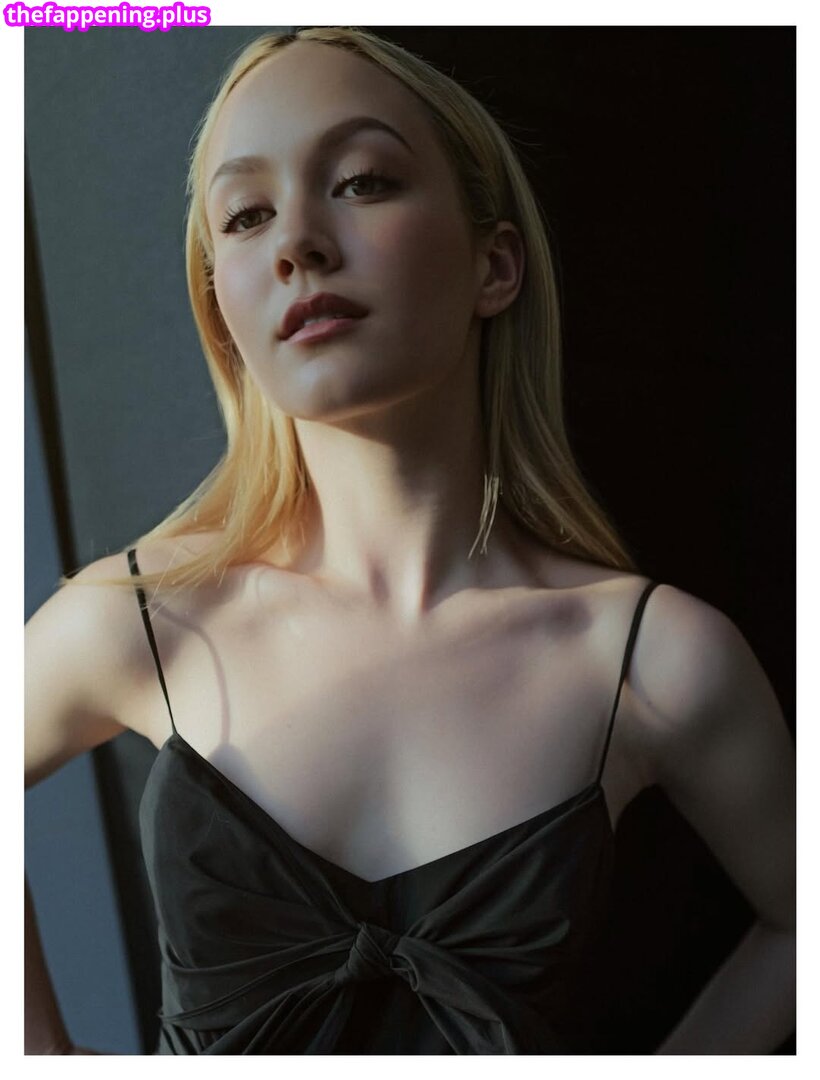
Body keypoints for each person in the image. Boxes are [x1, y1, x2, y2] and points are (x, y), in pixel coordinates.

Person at [24, 26, 795, 1055]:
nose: (297, 242)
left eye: (361, 182)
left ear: (494, 265)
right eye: (246, 216)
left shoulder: (650, 661)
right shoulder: (143, 620)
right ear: (222, 312)